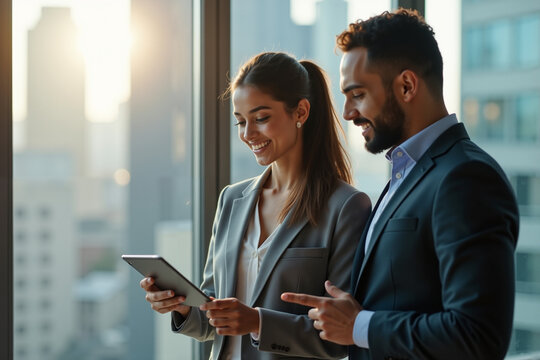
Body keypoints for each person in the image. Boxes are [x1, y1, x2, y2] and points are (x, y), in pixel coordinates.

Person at [282, 9, 520, 360]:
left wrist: (360, 326)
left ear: (407, 86)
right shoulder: (404, 172)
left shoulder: (466, 179)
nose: (347, 112)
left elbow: (477, 336)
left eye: (358, 94)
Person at [140, 51, 371, 359]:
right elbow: (213, 317)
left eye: (261, 118)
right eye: (240, 121)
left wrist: (258, 322)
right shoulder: (232, 199)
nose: (248, 134)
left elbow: (341, 337)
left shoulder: (346, 207)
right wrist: (183, 308)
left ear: (300, 111)